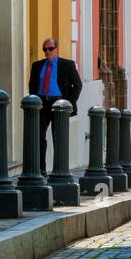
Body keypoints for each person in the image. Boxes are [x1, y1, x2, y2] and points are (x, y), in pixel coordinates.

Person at [28, 38, 82, 172]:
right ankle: (41, 170)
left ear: (56, 49)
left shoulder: (67, 65)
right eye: (45, 49)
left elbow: (77, 86)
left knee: (59, 137)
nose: (48, 52)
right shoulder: (37, 65)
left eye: (50, 49)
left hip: (59, 105)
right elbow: (32, 85)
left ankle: (60, 170)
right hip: (42, 104)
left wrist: (68, 103)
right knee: (38, 136)